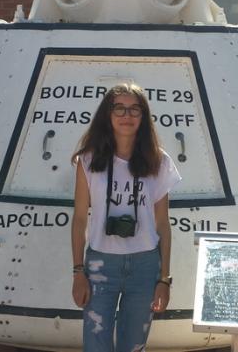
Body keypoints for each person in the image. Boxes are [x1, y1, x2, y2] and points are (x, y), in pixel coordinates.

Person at [70, 83, 181, 352]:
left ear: (143, 117)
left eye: (134, 109)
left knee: (133, 346)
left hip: (144, 266)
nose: (126, 115)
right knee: (96, 344)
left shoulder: (159, 162)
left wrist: (163, 279)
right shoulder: (89, 160)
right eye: (118, 108)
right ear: (107, 115)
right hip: (100, 264)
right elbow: (80, 219)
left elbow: (163, 225)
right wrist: (78, 272)